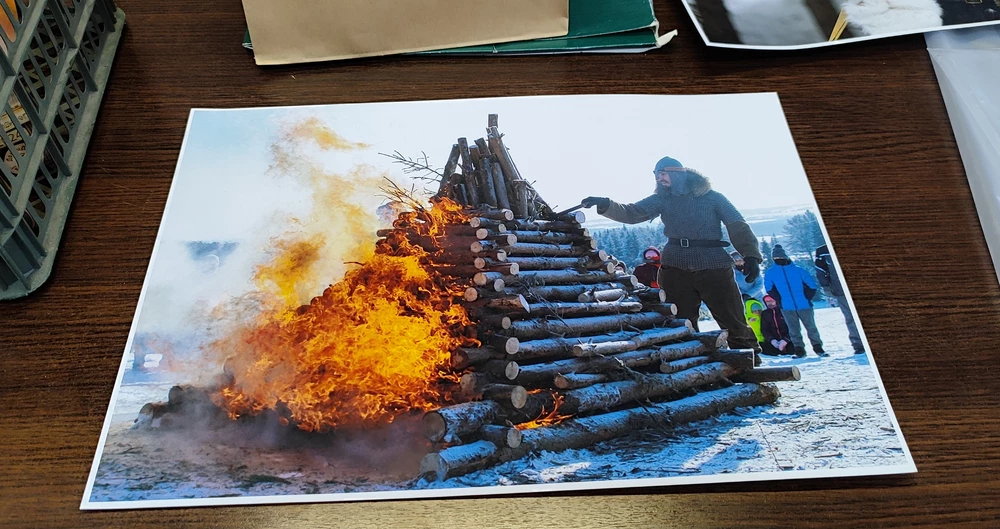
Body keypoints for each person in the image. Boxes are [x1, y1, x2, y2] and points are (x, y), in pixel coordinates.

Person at [581, 156, 762, 351]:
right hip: (675, 267)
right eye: (656, 176)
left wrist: (750, 255)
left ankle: (750, 361)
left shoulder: (712, 197)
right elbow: (633, 212)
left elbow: (737, 225)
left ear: (677, 173)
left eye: (663, 174)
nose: (659, 179)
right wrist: (606, 204)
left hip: (713, 265)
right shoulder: (662, 199)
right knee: (680, 321)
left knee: (732, 319)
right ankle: (693, 366)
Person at [764, 245, 827, 357]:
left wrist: (806, 298)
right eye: (776, 258)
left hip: (804, 305)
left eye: (780, 257)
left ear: (786, 256)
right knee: (793, 330)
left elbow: (811, 285)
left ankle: (818, 348)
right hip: (787, 307)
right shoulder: (771, 272)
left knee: (811, 328)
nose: (779, 259)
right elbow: (769, 288)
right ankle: (799, 350)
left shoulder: (798, 270)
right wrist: (780, 300)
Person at [815, 244, 865, 354]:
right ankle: (858, 343)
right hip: (840, 289)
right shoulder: (822, 251)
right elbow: (820, 271)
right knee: (850, 317)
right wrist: (826, 286)